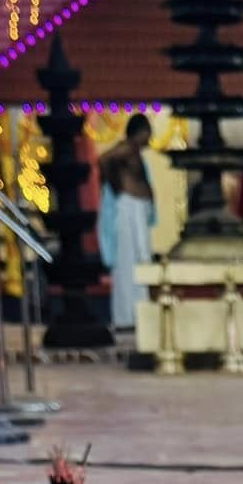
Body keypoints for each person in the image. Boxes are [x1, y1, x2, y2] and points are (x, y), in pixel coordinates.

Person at [98, 113, 157, 337]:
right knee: (127, 265)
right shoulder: (125, 149)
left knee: (142, 262)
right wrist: (117, 187)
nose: (149, 138)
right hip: (127, 210)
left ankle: (140, 315)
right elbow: (103, 160)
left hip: (138, 210)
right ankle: (125, 317)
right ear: (138, 133)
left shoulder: (136, 154)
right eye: (147, 133)